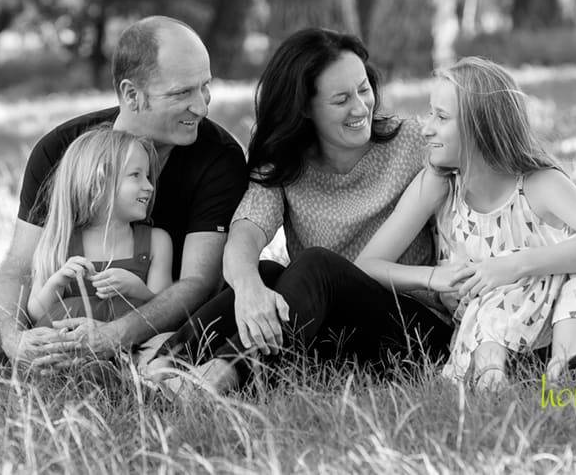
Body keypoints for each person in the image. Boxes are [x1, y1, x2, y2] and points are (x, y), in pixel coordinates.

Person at [0, 16, 247, 397]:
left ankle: (127, 389)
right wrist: (16, 341)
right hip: (65, 327)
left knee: (163, 359)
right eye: (182, 93)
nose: (202, 107)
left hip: (160, 337)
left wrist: (112, 336)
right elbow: (19, 267)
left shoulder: (218, 158)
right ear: (131, 95)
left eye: (205, 87)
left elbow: (198, 282)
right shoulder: (62, 150)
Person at [150, 28, 453, 394]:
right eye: (341, 99)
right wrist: (248, 290)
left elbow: (494, 163)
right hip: (321, 326)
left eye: (364, 89)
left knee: (315, 265)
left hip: (411, 331)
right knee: (265, 272)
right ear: (305, 108)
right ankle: (166, 364)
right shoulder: (285, 160)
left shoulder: (411, 142)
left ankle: (225, 375)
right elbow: (246, 233)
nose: (360, 107)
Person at [355, 57, 576, 390]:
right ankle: (490, 378)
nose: (426, 127)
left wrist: (514, 265)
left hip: (556, 324)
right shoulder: (439, 184)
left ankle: (565, 370)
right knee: (494, 290)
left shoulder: (538, 183)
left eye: (442, 117)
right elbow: (368, 265)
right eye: (431, 113)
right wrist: (435, 277)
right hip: (486, 331)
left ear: (481, 128)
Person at [27, 128, 172, 327]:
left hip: (133, 345)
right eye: (136, 175)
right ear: (98, 183)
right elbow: (36, 314)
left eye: (147, 176)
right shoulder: (61, 242)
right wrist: (57, 283)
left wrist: (136, 289)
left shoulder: (156, 241)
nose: (150, 186)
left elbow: (167, 314)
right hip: (65, 345)